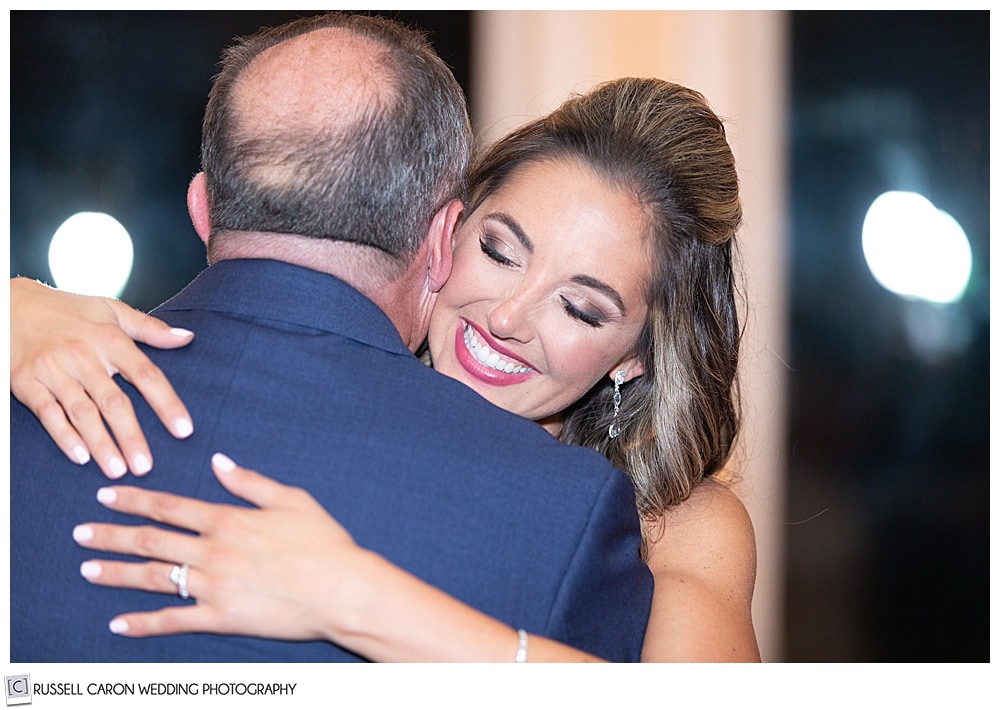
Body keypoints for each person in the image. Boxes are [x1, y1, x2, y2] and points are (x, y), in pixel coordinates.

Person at [12, 73, 760, 662]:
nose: (507, 317)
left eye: (581, 309)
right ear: (446, 231)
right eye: (500, 251)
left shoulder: (679, 524)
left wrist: (356, 598)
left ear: (635, 355)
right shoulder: (307, 382)